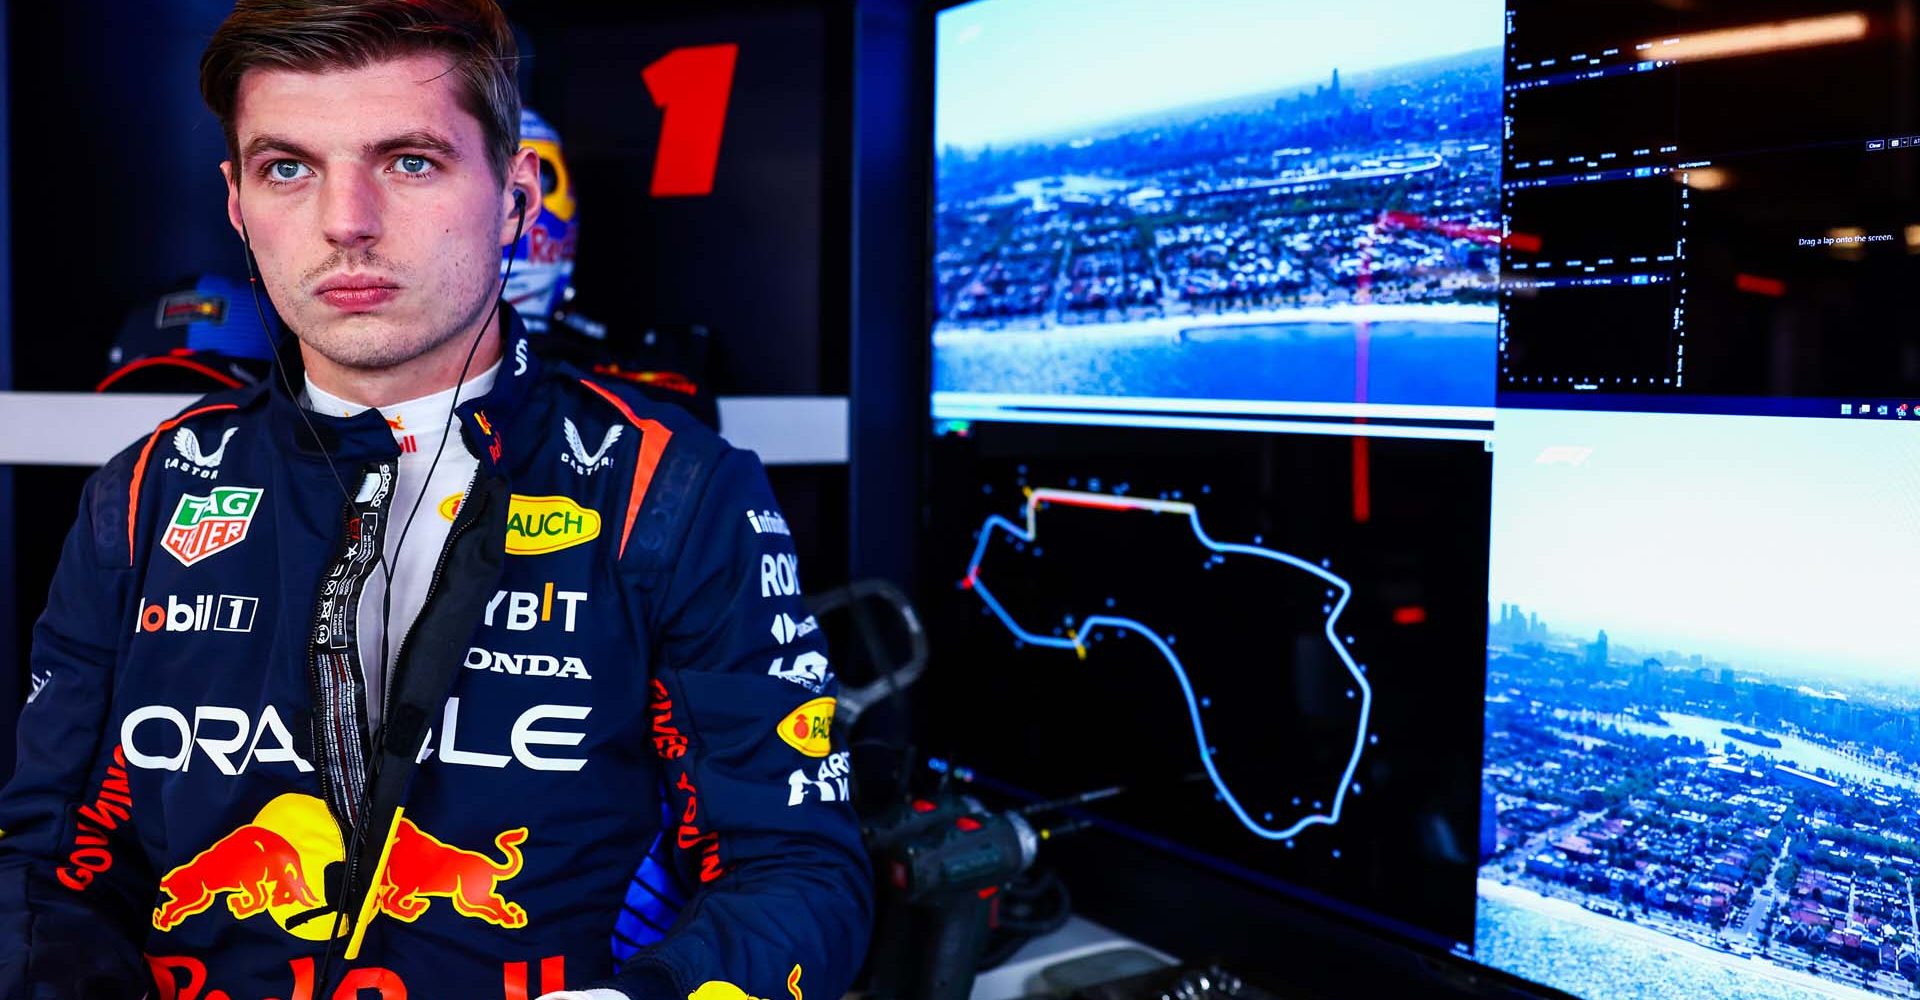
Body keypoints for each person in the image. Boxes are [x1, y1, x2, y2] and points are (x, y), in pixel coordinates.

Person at [0, 1, 870, 997]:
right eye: (290, 167)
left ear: (514, 197)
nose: (346, 221)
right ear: (238, 203)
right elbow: (42, 865)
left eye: (410, 160)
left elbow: (802, 875)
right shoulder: (148, 492)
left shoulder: (671, 488)